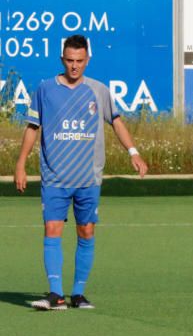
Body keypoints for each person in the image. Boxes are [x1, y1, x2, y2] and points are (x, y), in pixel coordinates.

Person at [13, 34, 149, 310]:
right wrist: (20, 163)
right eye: (69, 60)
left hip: (88, 177)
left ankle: (77, 294)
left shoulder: (98, 90)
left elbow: (117, 122)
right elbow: (32, 127)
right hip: (55, 177)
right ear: (62, 59)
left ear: (88, 60)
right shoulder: (45, 89)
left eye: (80, 61)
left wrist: (133, 152)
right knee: (52, 229)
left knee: (86, 231)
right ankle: (55, 295)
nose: (74, 66)